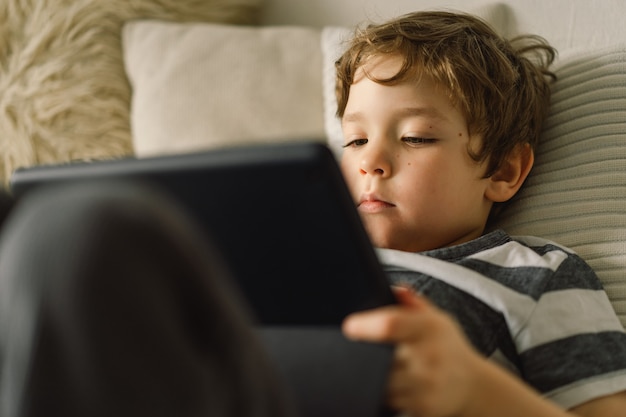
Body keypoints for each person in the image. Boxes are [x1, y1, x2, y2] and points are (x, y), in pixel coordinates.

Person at [334, 10, 626, 417]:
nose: (371, 161)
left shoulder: (536, 275)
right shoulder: (308, 259)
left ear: (503, 171)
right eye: (355, 140)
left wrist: (475, 390)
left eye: (415, 137)